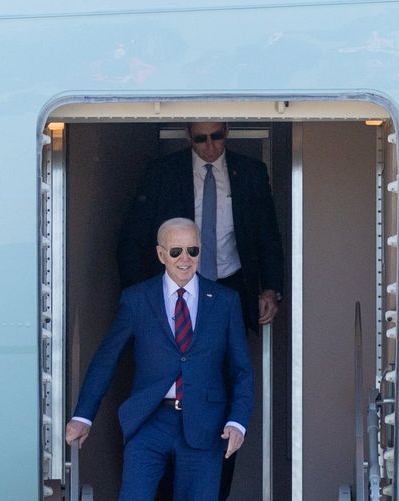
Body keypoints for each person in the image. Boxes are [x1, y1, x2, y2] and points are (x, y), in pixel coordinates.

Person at [66, 218, 253, 500]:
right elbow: (107, 358)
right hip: (149, 419)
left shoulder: (225, 301)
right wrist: (83, 416)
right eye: (176, 251)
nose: (186, 259)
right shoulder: (137, 299)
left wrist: (238, 421)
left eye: (193, 250)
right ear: (161, 254)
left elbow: (241, 370)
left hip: (205, 423)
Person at [117, 121, 284, 331]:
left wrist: (271, 288)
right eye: (200, 138)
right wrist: (139, 297)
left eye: (216, 136)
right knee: (179, 355)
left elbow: (268, 235)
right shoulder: (163, 172)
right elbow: (134, 237)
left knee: (229, 356)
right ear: (188, 135)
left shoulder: (251, 173)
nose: (209, 145)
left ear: (227, 131)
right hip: (175, 283)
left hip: (231, 282)